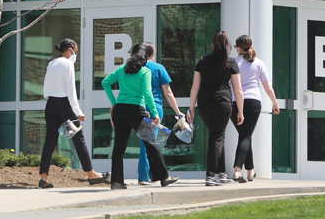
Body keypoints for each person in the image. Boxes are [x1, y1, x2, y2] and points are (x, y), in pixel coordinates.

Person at [101, 42, 180, 190]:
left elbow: (105, 82)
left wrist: (114, 103)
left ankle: (117, 182)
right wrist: (155, 114)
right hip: (136, 111)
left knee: (119, 147)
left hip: (120, 111)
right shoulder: (145, 72)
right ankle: (164, 177)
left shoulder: (122, 69)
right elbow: (147, 93)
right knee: (151, 143)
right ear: (146, 58)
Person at [39, 38, 109, 188]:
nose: (75, 55)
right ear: (70, 50)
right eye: (75, 52)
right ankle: (91, 174)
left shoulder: (51, 63)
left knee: (50, 142)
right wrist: (78, 111)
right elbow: (71, 90)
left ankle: (44, 178)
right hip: (64, 104)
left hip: (50, 104)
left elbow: (47, 86)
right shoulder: (68, 63)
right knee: (79, 139)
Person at [189, 31, 244, 186]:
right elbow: (238, 90)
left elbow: (195, 87)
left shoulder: (202, 61)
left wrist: (191, 108)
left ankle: (222, 173)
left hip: (204, 104)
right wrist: (240, 110)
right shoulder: (231, 62)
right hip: (222, 104)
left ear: (212, 45)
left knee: (217, 136)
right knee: (217, 137)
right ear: (227, 46)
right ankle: (210, 175)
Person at [133, 43, 184, 186]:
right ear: (153, 54)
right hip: (154, 107)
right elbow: (167, 92)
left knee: (149, 142)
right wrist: (177, 111)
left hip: (137, 107)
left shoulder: (135, 67)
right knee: (149, 142)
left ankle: (151, 175)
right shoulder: (158, 68)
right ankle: (143, 176)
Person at [230, 34, 278, 183]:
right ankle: (249, 171)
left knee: (245, 135)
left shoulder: (232, 62)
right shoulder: (259, 63)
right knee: (246, 136)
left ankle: (238, 171)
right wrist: (275, 103)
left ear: (238, 48)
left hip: (235, 102)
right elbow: (268, 87)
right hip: (254, 102)